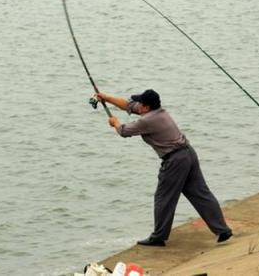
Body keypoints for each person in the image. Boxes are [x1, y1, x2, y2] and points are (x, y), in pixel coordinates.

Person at [96, 89, 233, 247]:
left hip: (175, 160)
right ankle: (223, 230)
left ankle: (159, 237)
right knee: (201, 194)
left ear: (146, 107)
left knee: (163, 197)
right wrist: (105, 97)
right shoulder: (159, 112)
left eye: (140, 102)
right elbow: (127, 105)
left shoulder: (147, 121)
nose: (137, 104)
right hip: (188, 153)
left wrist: (115, 123)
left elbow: (124, 131)